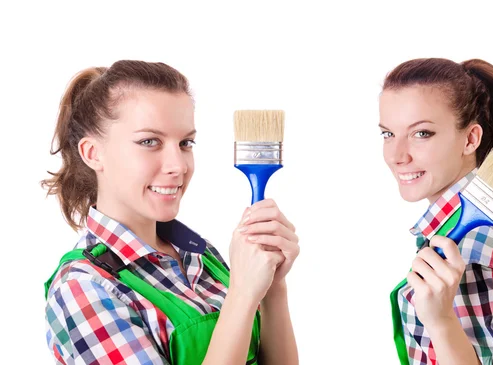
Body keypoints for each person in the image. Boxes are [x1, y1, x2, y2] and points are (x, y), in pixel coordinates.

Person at [42, 60, 300, 365]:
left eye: (185, 143)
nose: (178, 165)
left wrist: (272, 288)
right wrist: (242, 294)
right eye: (149, 142)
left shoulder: (200, 256)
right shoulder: (83, 289)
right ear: (92, 153)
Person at [379, 58, 493, 365]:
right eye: (387, 134)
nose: (397, 155)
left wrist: (441, 322)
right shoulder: (459, 228)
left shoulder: (475, 244)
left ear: (470, 139)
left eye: (421, 133)